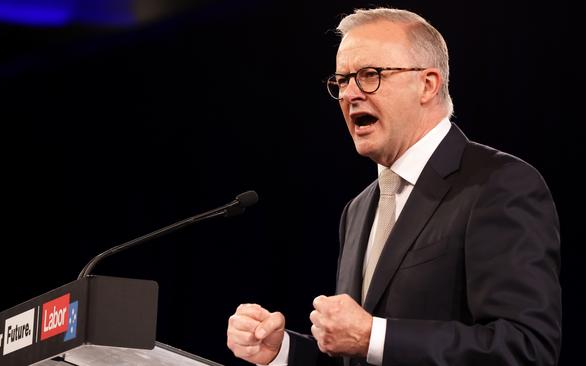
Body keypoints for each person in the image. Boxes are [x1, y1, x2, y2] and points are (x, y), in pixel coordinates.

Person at [226, 7, 561, 366]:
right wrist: (282, 352)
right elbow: (358, 357)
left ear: (428, 84)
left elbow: (526, 349)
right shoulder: (358, 209)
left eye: (370, 75)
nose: (350, 93)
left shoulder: (498, 184)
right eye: (341, 80)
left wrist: (373, 335)